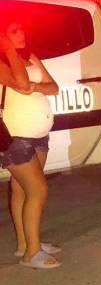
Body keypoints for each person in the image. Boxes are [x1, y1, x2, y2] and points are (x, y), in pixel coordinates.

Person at [0, 19, 62, 269]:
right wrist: (9, 50)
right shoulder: (4, 62)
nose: (22, 33)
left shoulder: (32, 57)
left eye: (23, 29)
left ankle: (26, 243)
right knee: (38, 191)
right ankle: (32, 255)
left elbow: (54, 87)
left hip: (38, 136)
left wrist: (38, 86)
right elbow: (21, 84)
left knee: (21, 190)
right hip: (15, 137)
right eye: (14, 31)